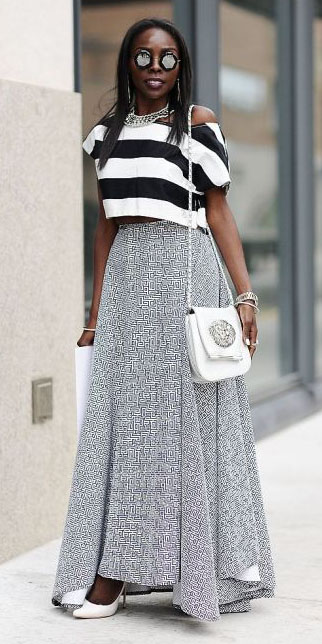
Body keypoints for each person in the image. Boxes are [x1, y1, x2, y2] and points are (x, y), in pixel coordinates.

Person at [51, 16, 275, 622]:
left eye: (168, 58)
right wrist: (95, 313)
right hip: (128, 282)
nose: (156, 69)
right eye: (144, 57)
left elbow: (220, 212)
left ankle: (169, 570)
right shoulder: (106, 133)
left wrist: (244, 295)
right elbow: (107, 225)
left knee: (183, 427)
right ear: (127, 63)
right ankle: (115, 569)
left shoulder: (198, 126)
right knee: (126, 427)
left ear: (182, 67)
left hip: (186, 272)